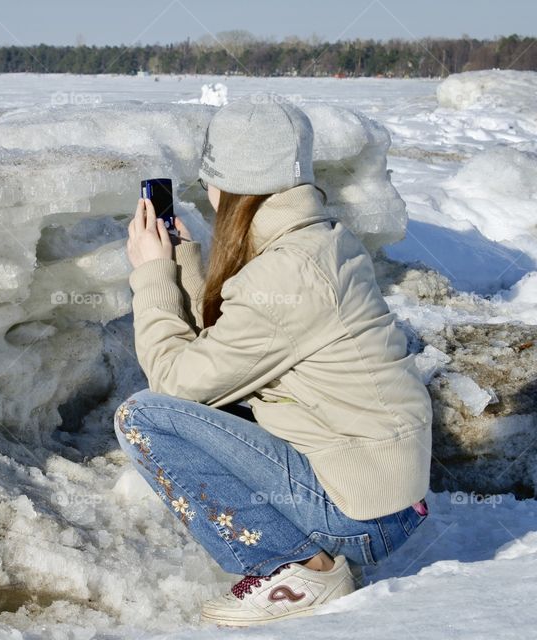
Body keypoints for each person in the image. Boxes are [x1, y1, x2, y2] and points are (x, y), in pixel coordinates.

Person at [116, 94, 432, 627]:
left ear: (230, 187)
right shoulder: (320, 242)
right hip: (385, 495)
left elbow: (174, 381)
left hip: (362, 515)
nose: (208, 195)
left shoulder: (288, 273)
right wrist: (184, 262)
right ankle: (307, 550)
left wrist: (151, 276)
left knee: (145, 417)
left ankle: (298, 566)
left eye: (209, 181)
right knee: (212, 406)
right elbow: (229, 355)